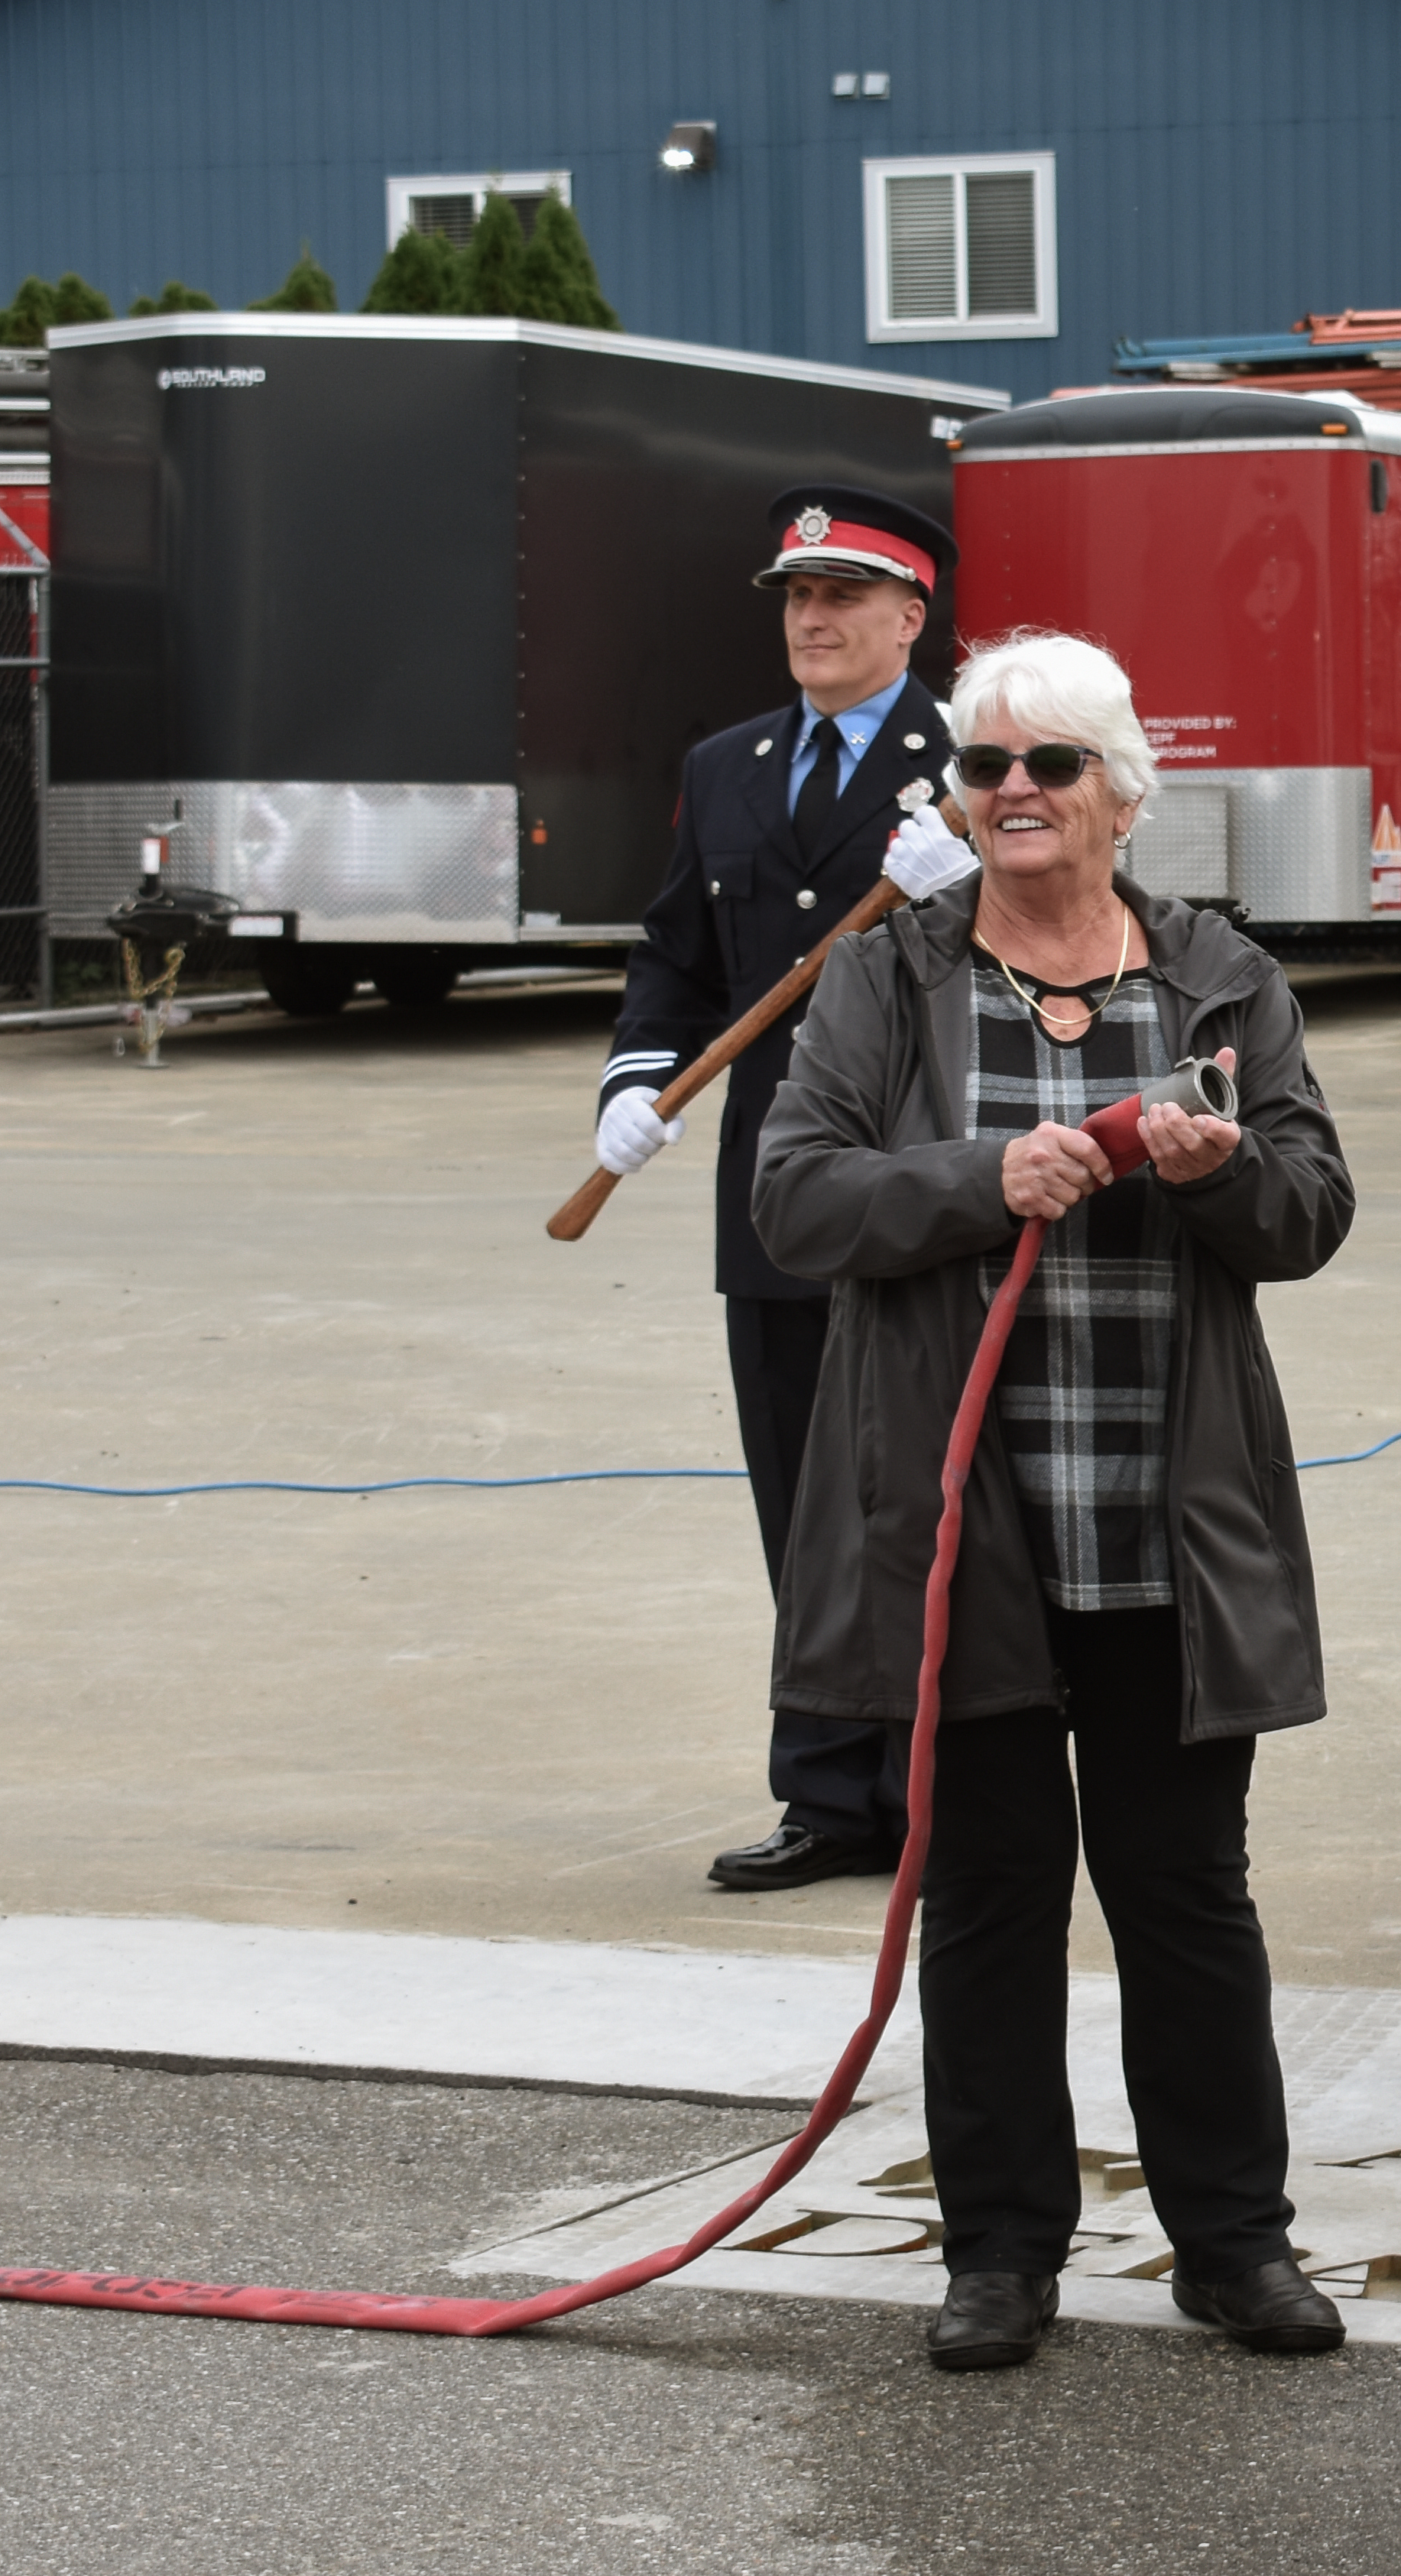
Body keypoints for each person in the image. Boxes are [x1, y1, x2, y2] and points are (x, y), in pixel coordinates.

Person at [751, 627, 1358, 2374]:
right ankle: (1001, 2250)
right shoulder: (890, 978)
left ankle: (1234, 2241)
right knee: (994, 1890)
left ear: (1123, 790)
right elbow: (795, 1200)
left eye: (1050, 766)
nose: (1010, 790)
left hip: (1169, 1523)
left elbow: (1313, 1207)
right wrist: (971, 1177)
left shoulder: (1220, 978)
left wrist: (1229, 1165)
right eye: (982, 766)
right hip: (966, 1529)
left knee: (1186, 1891)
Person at [595, 485, 976, 1893]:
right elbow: (676, 956)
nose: (810, 620)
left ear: (909, 615)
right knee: (800, 1497)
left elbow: (1066, 954)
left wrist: (961, 895)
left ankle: (949, 1792)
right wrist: (635, 1081)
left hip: (928, 1178)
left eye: (840, 597)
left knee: (934, 1503)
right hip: (778, 1189)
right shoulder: (732, 762)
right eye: (794, 598)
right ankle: (829, 1796)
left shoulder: (980, 759)